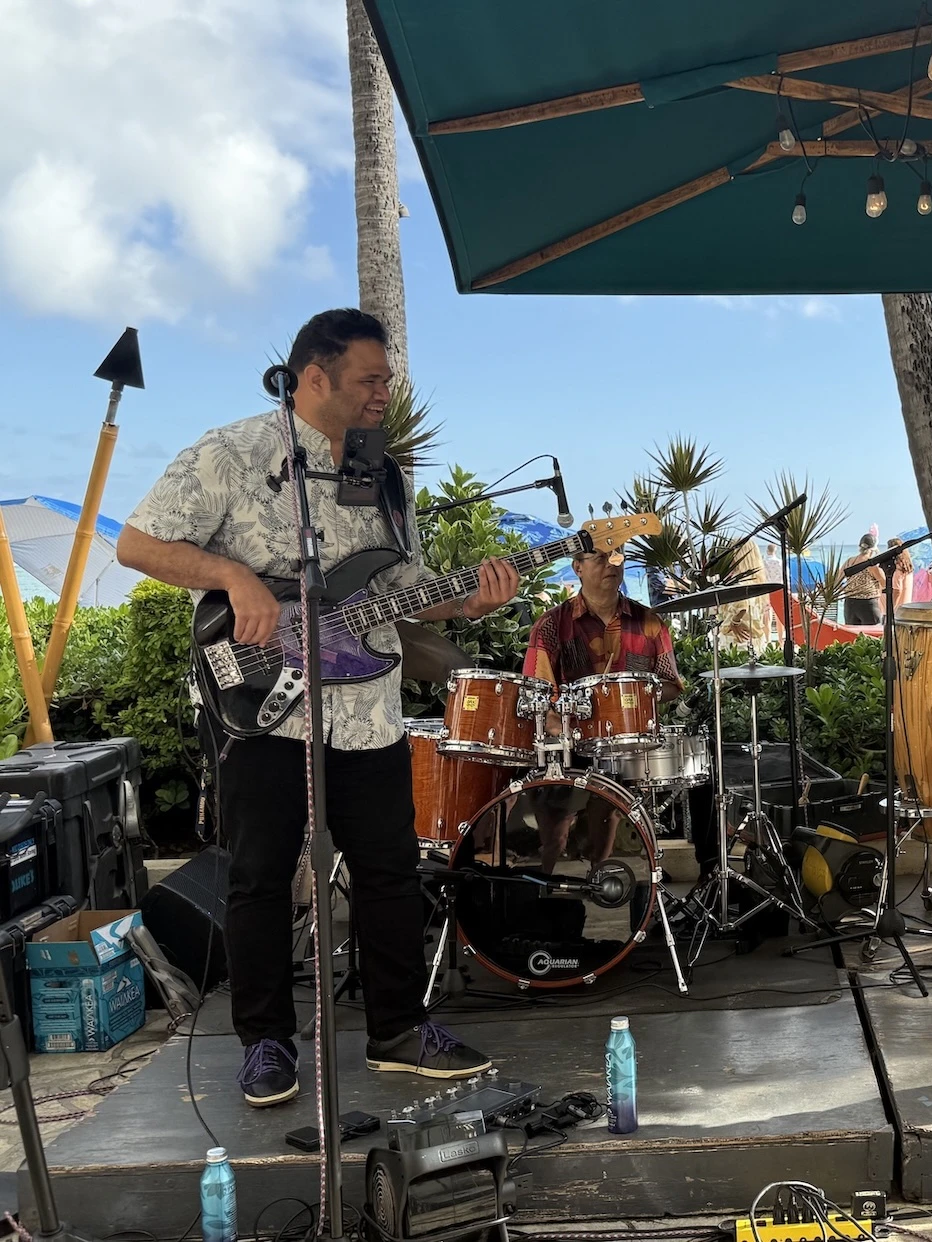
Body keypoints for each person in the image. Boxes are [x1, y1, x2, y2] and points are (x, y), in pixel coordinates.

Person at [115, 309, 517, 1108]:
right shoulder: (232, 452)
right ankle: (266, 1042)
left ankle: (399, 1030)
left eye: (387, 377)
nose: (385, 392)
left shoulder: (382, 469)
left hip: (368, 710)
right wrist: (234, 578)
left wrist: (464, 603)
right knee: (261, 877)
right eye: (371, 378)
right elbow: (137, 544)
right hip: (264, 702)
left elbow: (395, 591)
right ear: (314, 377)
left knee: (391, 874)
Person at [522, 546, 684, 871]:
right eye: (599, 557)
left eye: (616, 557)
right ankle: (546, 880)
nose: (611, 563)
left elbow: (671, 685)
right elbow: (536, 690)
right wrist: (560, 721)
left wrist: (636, 697)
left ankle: (602, 872)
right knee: (554, 818)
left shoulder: (649, 623)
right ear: (577, 567)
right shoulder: (552, 625)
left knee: (611, 796)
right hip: (569, 738)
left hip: (625, 743)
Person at [842, 532, 885, 625]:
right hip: (868, 603)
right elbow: (884, 583)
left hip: (850, 603)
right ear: (873, 549)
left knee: (852, 636)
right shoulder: (871, 564)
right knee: (872, 634)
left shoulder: (849, 561)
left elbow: (837, 578)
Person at [887, 538, 916, 610]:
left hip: (897, 609)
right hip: (906, 606)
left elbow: (897, 590)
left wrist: (890, 608)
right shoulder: (907, 567)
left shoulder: (898, 569)